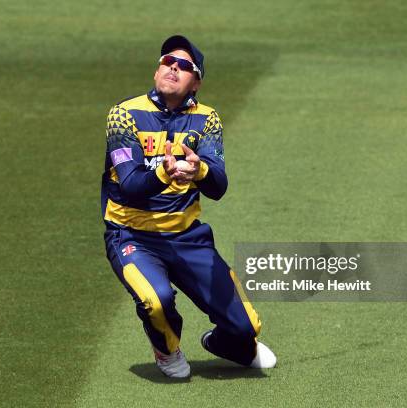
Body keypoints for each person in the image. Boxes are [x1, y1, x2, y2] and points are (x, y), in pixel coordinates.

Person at [101, 35, 276, 378]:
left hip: (187, 238)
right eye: (167, 61)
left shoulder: (207, 119)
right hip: (131, 236)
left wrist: (201, 170)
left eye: (184, 66)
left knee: (247, 327)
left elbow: (218, 187)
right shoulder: (124, 115)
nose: (173, 68)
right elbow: (133, 185)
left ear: (196, 81)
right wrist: (166, 172)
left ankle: (224, 343)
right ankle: (167, 350)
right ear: (157, 68)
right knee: (156, 300)